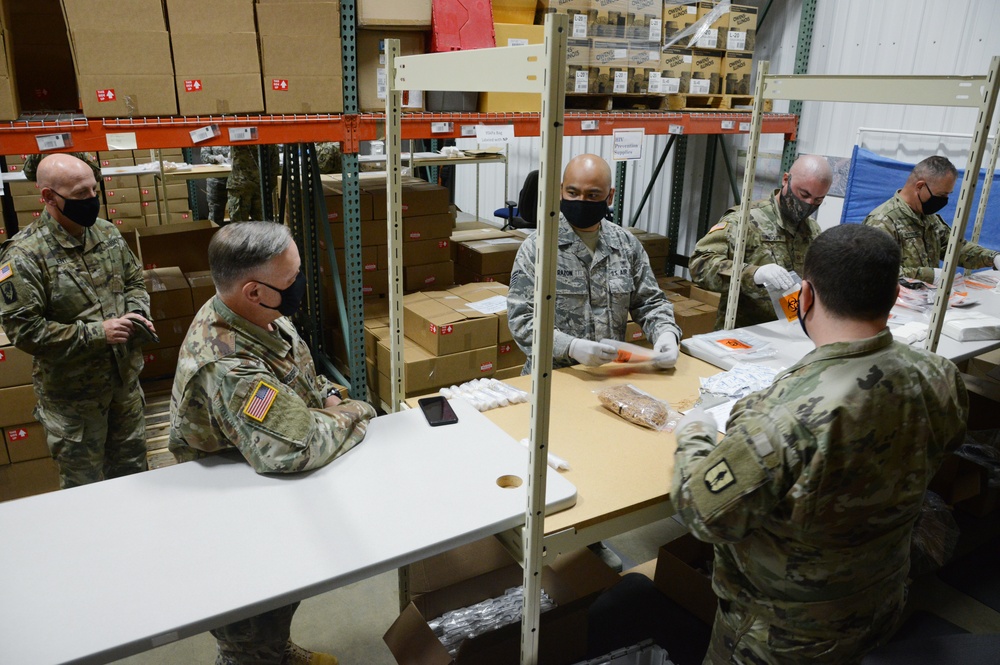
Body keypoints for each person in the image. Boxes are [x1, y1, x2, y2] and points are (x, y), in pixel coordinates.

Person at [672, 224, 968, 663]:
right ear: (892, 296)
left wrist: (693, 432)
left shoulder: (784, 416)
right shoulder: (940, 375)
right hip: (879, 604)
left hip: (783, 638)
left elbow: (700, 513)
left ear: (804, 296)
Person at [169, 221, 376, 665]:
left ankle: (275, 652)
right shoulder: (225, 363)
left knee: (281, 598)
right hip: (234, 510)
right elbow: (293, 448)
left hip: (265, 493)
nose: (302, 284)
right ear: (253, 291)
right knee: (250, 620)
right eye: (293, 279)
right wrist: (356, 411)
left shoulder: (259, 317)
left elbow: (299, 374)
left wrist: (327, 397)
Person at [0, 154, 154, 488]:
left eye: (93, 190)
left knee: (134, 479)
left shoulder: (107, 234)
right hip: (74, 403)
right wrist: (98, 334)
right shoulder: (25, 256)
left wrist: (138, 313)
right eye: (80, 194)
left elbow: (134, 282)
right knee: (85, 492)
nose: (91, 200)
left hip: (124, 387)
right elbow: (25, 331)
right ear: (48, 197)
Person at [507, 153, 682, 375]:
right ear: (561, 190)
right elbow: (521, 320)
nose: (581, 201)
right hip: (552, 377)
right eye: (573, 192)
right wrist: (569, 346)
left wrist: (666, 334)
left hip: (610, 375)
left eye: (592, 195)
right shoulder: (539, 248)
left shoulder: (625, 245)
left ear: (609, 197)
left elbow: (650, 302)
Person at [690, 154, 833, 329]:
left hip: (790, 332)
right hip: (743, 335)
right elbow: (700, 265)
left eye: (818, 200)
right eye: (803, 194)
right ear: (786, 180)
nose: (808, 204)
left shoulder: (812, 231)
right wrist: (753, 274)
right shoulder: (745, 220)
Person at [863, 155, 1000, 283]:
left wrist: (992, 258)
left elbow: (954, 248)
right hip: (896, 305)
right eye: (941, 194)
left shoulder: (929, 218)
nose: (944, 200)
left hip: (924, 302)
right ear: (920, 186)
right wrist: (931, 275)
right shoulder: (883, 221)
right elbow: (876, 272)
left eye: (947, 194)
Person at [227, 145, 280, 222]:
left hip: (240, 185)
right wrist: (268, 188)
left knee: (239, 226)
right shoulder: (270, 141)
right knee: (262, 225)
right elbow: (275, 170)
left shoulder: (239, 138)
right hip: (261, 186)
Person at [200, 145, 231, 225]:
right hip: (216, 181)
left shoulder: (235, 133)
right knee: (215, 215)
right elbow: (204, 156)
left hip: (236, 181)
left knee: (238, 216)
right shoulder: (211, 134)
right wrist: (215, 158)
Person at [22, 152, 101, 182]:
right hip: (77, 198)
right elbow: (97, 175)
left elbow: (30, 175)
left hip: (52, 200)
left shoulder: (36, 153)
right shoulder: (77, 150)